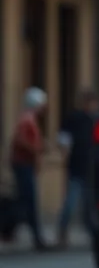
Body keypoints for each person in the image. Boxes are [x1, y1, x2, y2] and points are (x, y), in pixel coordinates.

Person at [55, 88, 99, 248]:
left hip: (90, 168)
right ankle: (62, 232)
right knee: (71, 203)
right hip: (76, 167)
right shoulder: (74, 119)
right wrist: (65, 154)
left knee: (89, 205)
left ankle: (93, 234)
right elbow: (64, 140)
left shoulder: (95, 121)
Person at [8, 87, 50, 250]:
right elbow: (20, 140)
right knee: (28, 201)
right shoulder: (27, 120)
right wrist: (36, 147)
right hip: (23, 164)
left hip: (25, 164)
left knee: (25, 201)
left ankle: (13, 231)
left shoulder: (29, 119)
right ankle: (36, 237)